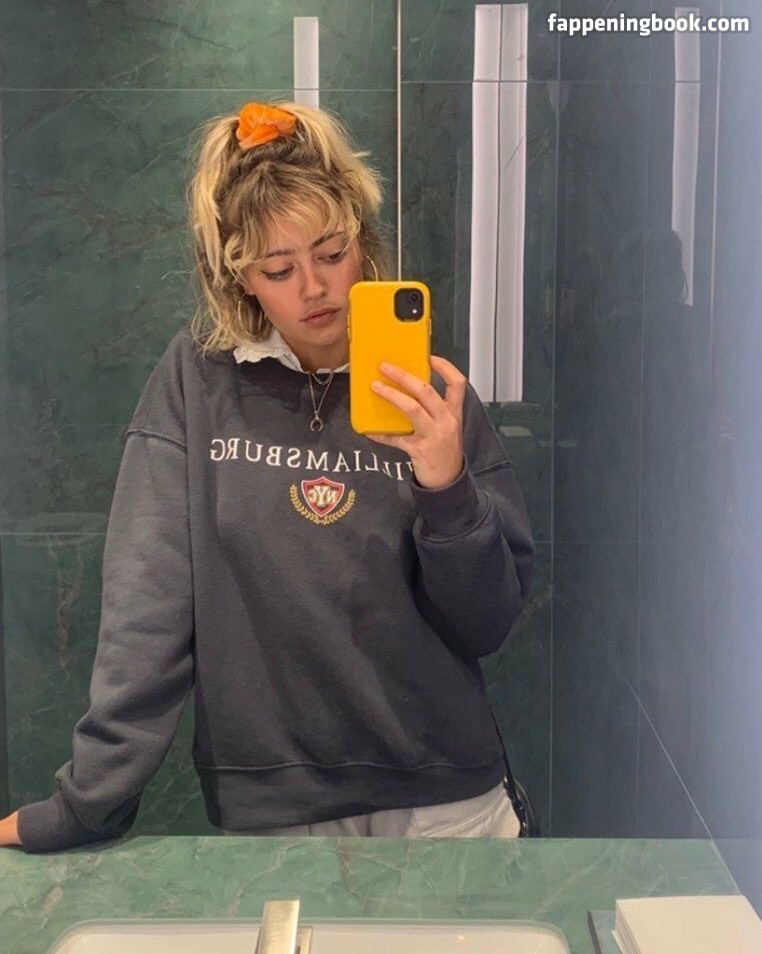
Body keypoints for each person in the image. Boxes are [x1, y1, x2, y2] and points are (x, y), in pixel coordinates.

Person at [0, 101, 535, 852]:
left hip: (448, 803)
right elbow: (147, 607)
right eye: (278, 269)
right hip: (280, 810)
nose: (313, 288)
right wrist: (89, 802)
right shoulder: (197, 383)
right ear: (240, 278)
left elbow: (488, 623)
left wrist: (447, 490)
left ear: (361, 241)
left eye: (331, 252)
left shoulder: (430, 394)